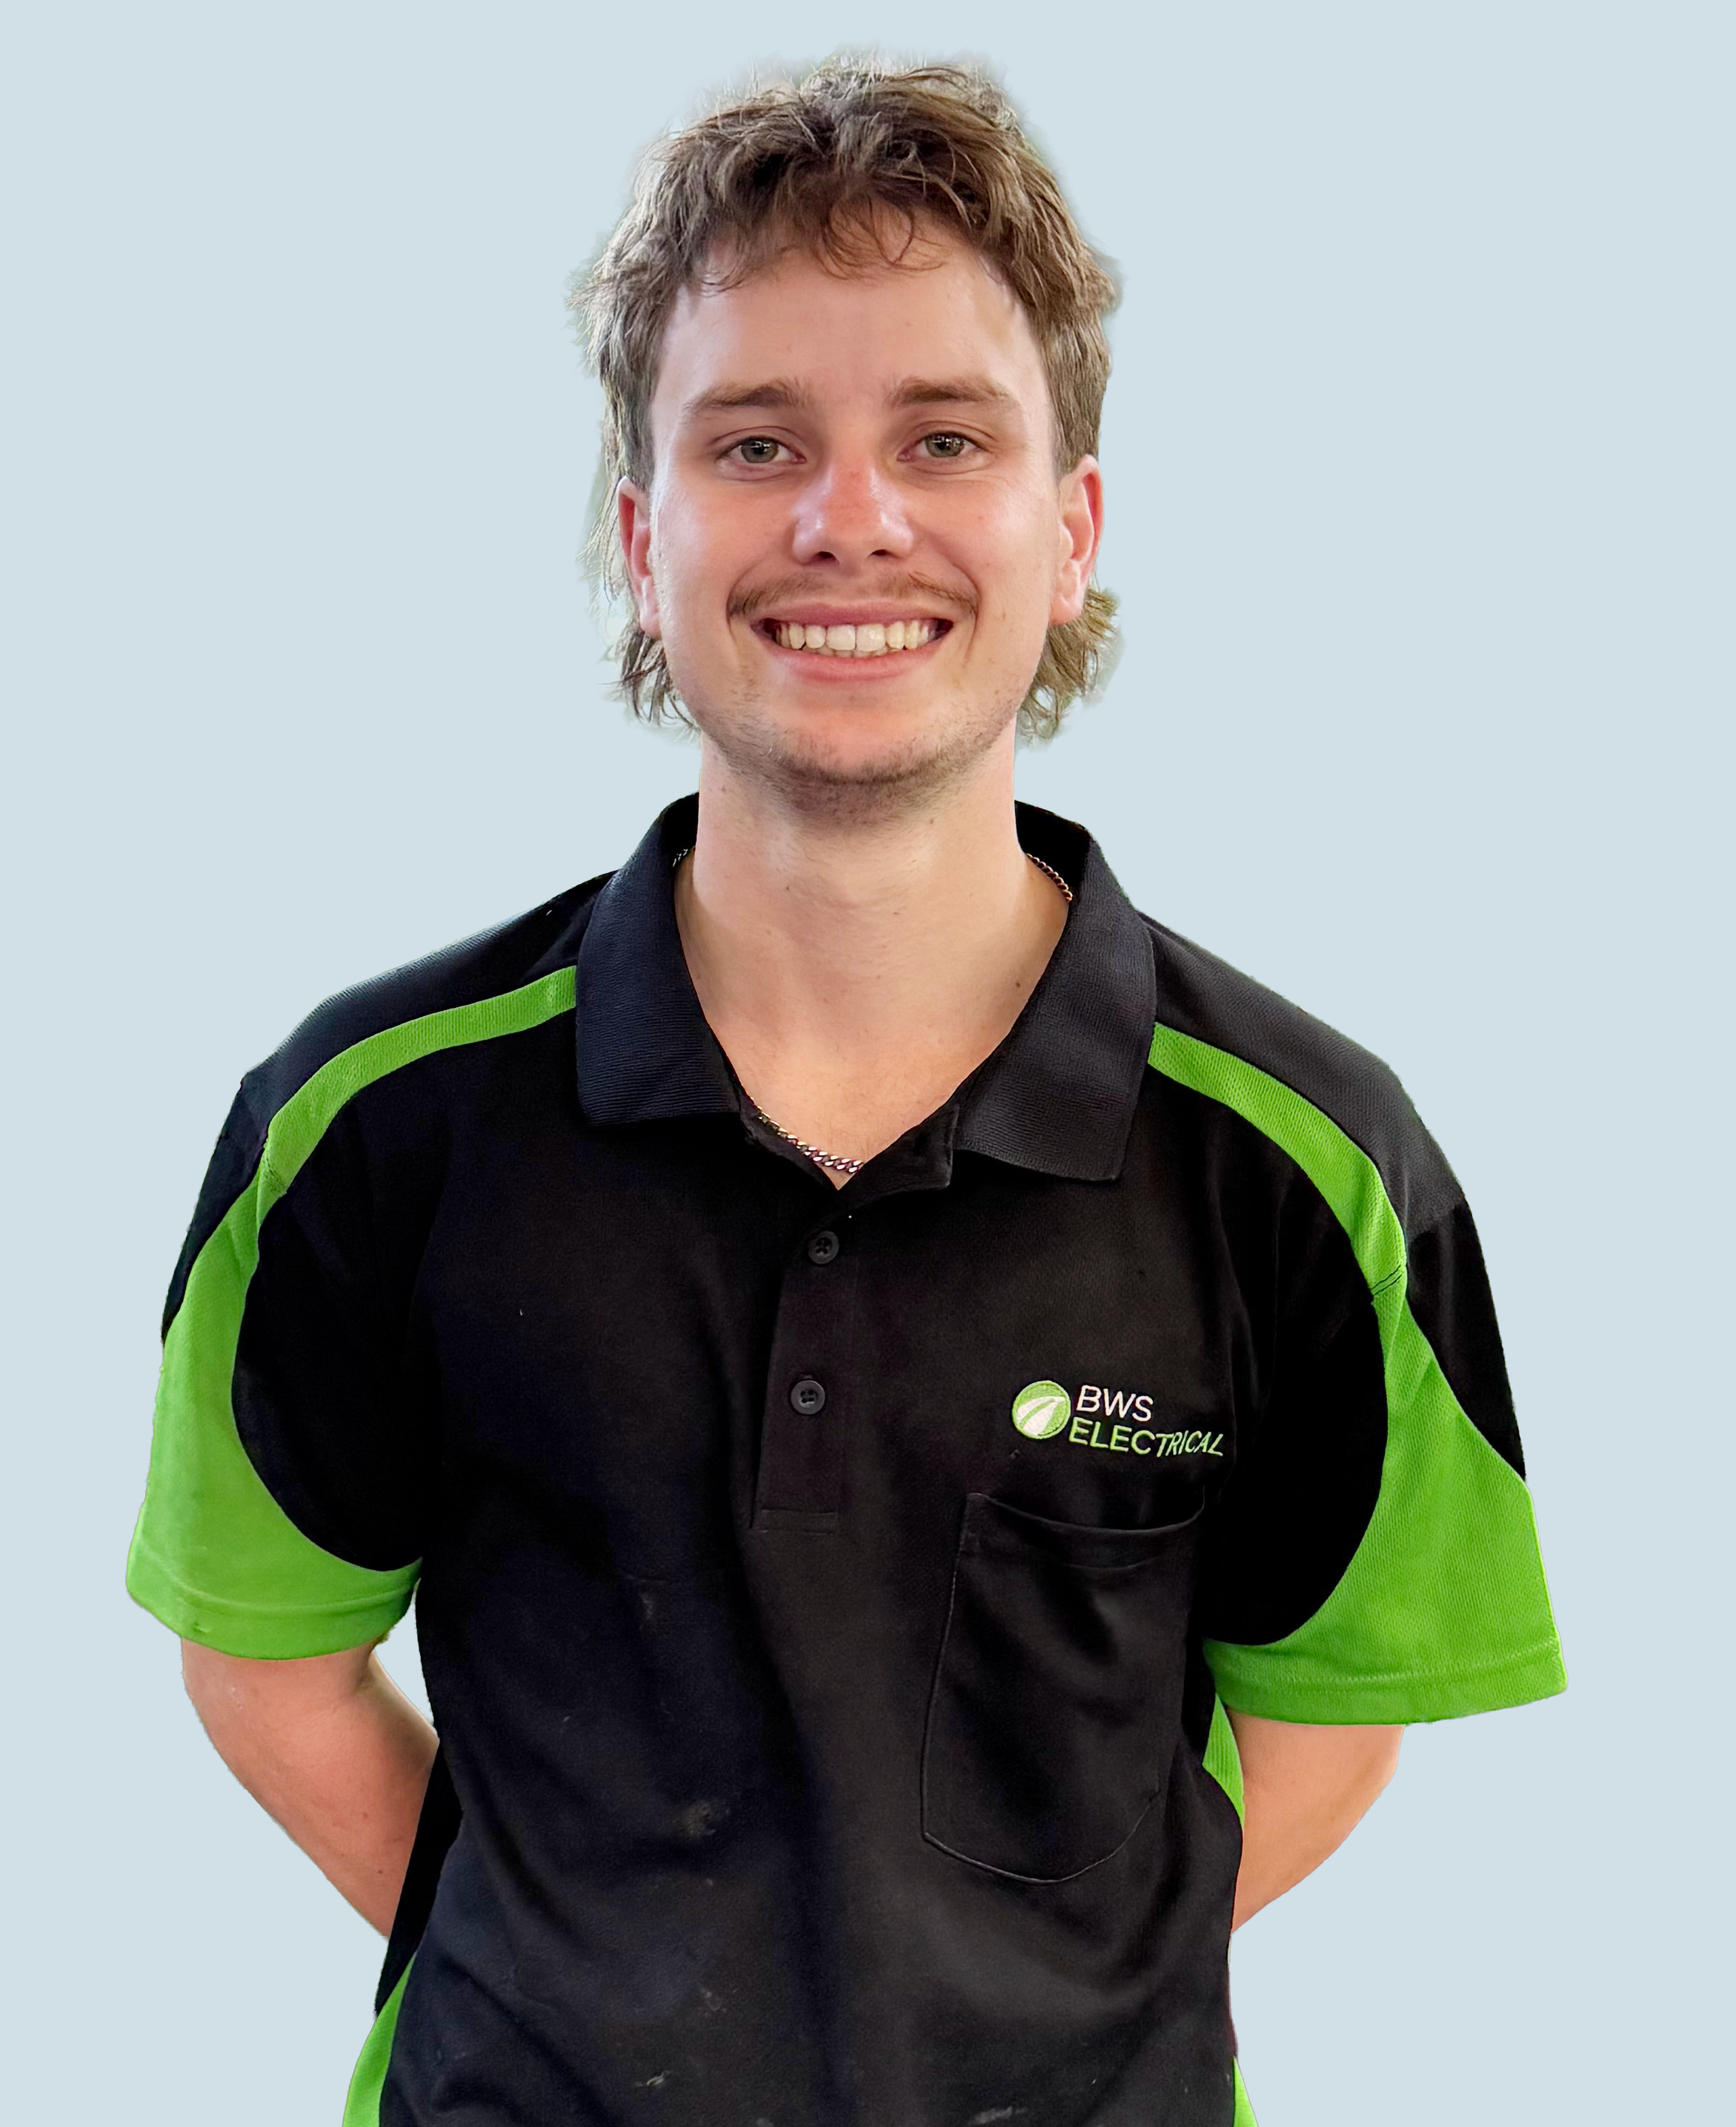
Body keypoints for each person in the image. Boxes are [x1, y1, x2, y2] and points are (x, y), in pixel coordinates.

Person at [127, 58, 1565, 2127]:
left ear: (1067, 531)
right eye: (754, 441)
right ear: (644, 535)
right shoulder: (368, 1129)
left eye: (944, 436)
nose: (848, 518)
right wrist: (561, 1983)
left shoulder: (1313, 1165)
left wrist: (1026, 2004)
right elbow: (265, 1670)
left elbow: (1328, 1732)